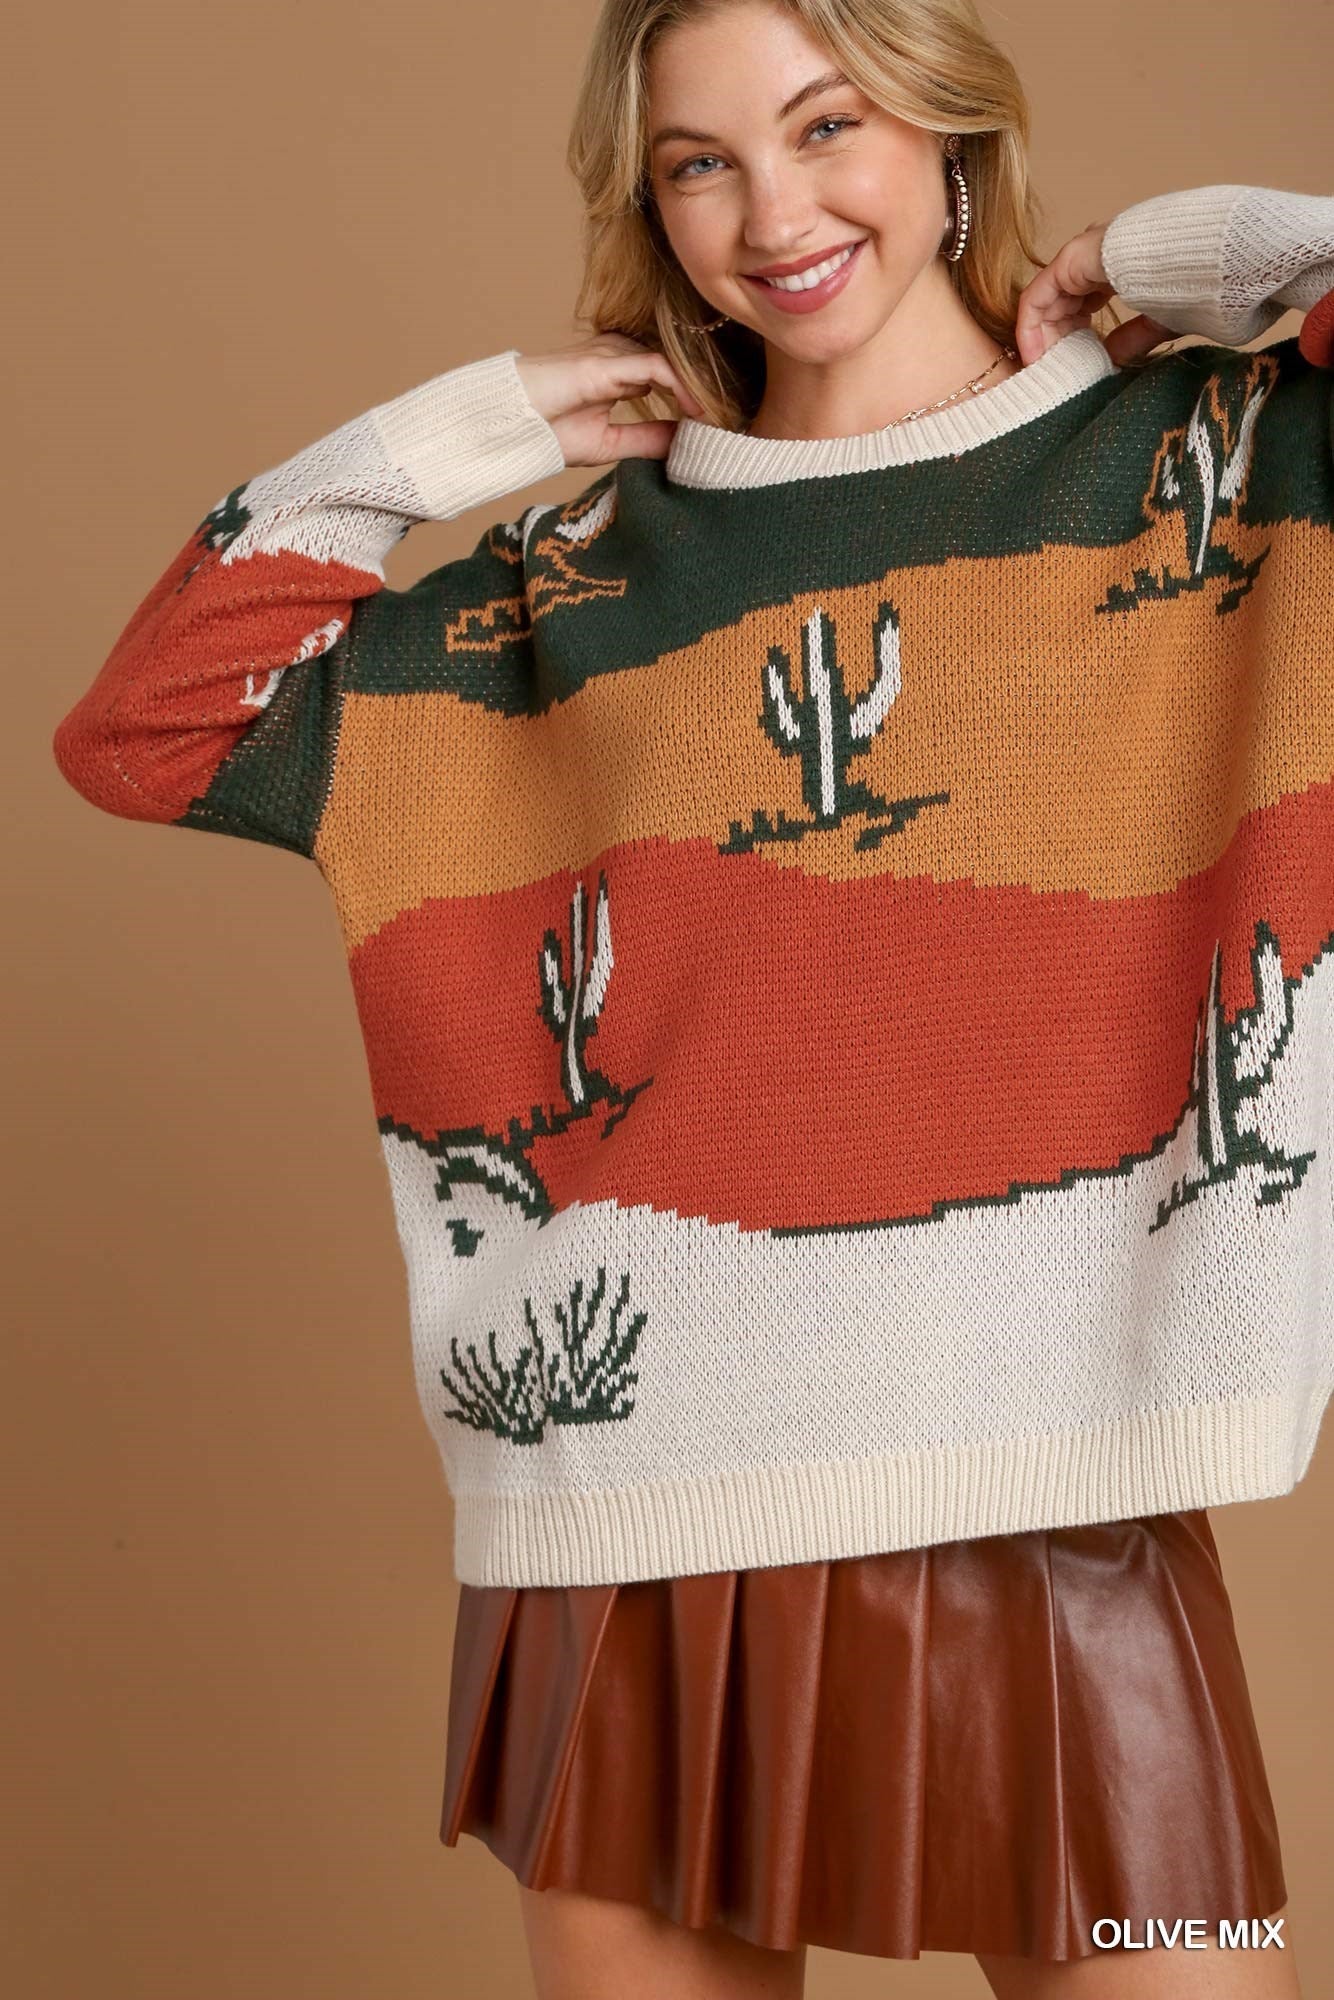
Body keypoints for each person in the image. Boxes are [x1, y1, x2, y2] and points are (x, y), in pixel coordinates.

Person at [51, 0, 1334, 1993]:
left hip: (1058, 1475)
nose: (774, 212)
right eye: (699, 164)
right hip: (632, 1523)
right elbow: (148, 729)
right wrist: (459, 435)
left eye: (828, 125)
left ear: (949, 129)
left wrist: (1174, 257)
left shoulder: (1214, 459)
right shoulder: (566, 574)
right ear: (651, 206)